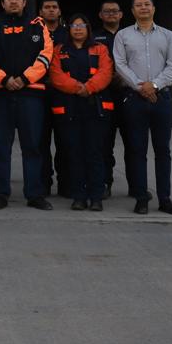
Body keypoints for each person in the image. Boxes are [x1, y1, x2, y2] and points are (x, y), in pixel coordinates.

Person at [0, 0, 54, 211]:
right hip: (0, 95)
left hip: (30, 95)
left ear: (24, 2)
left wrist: (24, 78)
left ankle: (34, 194)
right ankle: (0, 194)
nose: (13, 1)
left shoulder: (38, 25)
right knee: (0, 146)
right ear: (2, 3)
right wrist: (4, 80)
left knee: (32, 146)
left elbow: (46, 54)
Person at [113, 0, 172, 215]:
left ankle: (165, 199)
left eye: (147, 4)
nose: (143, 8)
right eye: (138, 5)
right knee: (137, 150)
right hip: (134, 99)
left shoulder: (168, 35)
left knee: (163, 150)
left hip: (162, 98)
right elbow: (120, 64)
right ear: (132, 11)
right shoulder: (123, 35)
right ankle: (141, 198)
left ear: (153, 8)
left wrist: (154, 85)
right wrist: (140, 87)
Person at [48, 13, 115, 211]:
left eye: (82, 25)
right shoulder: (59, 50)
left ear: (88, 29)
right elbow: (56, 75)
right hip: (69, 109)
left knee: (95, 153)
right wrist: (78, 88)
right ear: (68, 29)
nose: (78, 29)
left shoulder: (100, 49)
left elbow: (106, 72)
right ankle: (78, 196)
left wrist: (89, 88)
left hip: (95, 109)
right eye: (74, 26)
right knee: (74, 154)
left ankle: (96, 197)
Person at [93, 0, 131, 200]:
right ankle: (105, 183)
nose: (111, 14)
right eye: (106, 11)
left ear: (121, 14)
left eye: (115, 11)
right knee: (104, 144)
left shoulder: (131, 35)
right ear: (100, 15)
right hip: (104, 95)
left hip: (128, 95)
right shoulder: (93, 38)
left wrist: (126, 78)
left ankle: (136, 186)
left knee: (133, 143)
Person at [38, 0, 70, 198]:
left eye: (54, 7)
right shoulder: (34, 32)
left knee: (64, 140)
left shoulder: (68, 35)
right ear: (40, 12)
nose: (51, 10)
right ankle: (44, 183)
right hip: (39, 93)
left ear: (59, 11)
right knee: (41, 142)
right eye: (47, 7)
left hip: (63, 94)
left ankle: (65, 183)